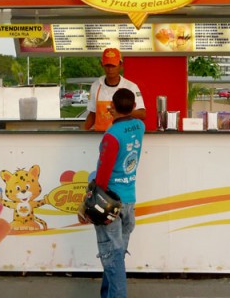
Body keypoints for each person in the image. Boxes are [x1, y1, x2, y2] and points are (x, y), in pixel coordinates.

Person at [79, 88, 145, 298]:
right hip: (128, 201)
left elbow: (102, 178)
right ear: (134, 107)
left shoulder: (112, 136)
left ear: (111, 108)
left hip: (109, 205)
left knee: (113, 258)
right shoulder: (139, 126)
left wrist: (85, 207)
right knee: (117, 255)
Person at [84, 48, 146, 131]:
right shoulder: (96, 86)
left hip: (122, 136)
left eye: (113, 65)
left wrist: (121, 111)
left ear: (120, 65)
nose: (110, 69)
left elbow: (142, 114)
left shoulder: (131, 87)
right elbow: (92, 114)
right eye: (107, 65)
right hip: (99, 137)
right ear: (102, 65)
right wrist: (81, 134)